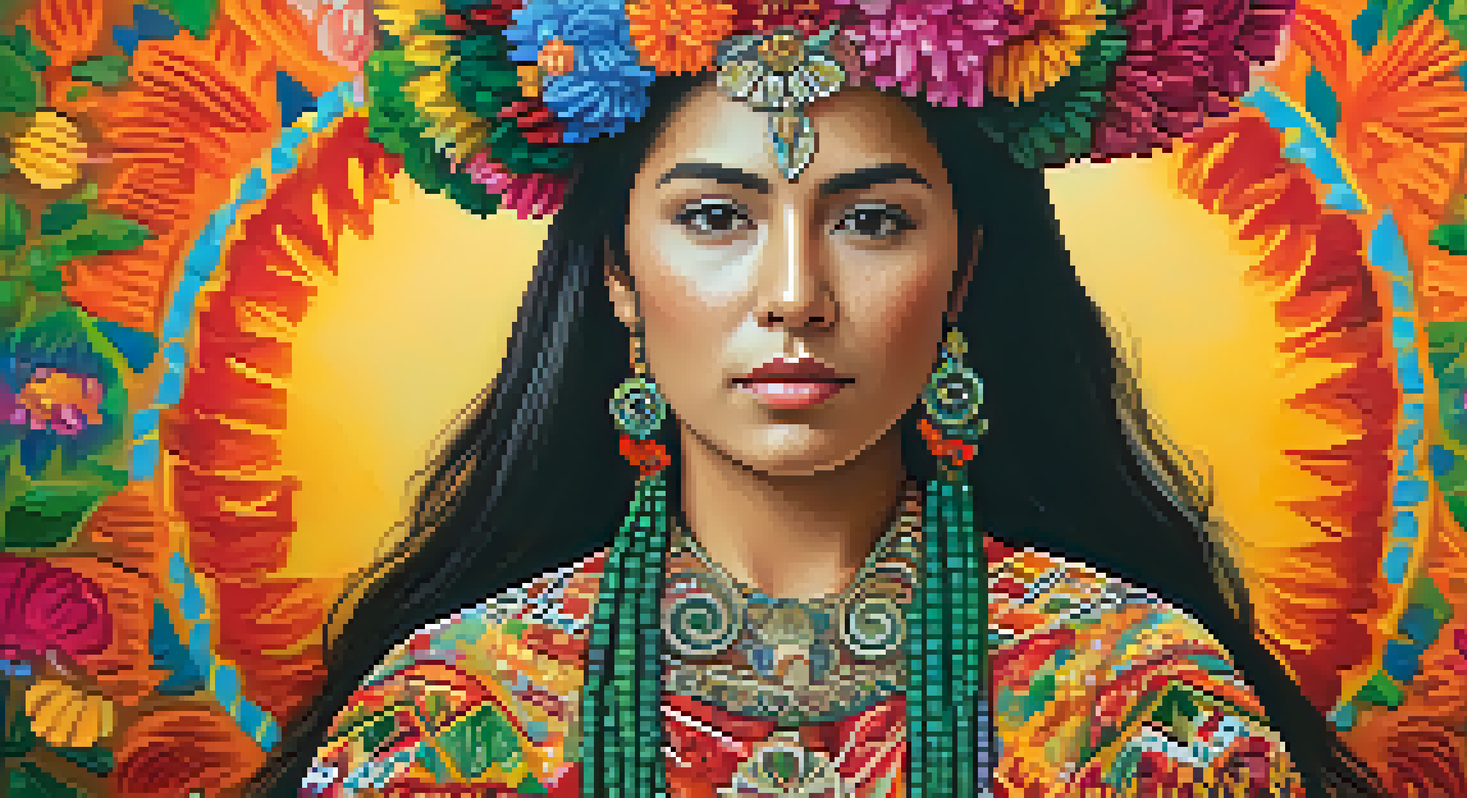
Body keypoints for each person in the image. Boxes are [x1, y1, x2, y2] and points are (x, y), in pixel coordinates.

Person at [250, 3, 1389, 796]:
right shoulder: (455, 725)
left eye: (872, 221)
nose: (795, 297)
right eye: (716, 218)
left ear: (965, 273)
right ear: (616, 275)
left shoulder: (1135, 708)